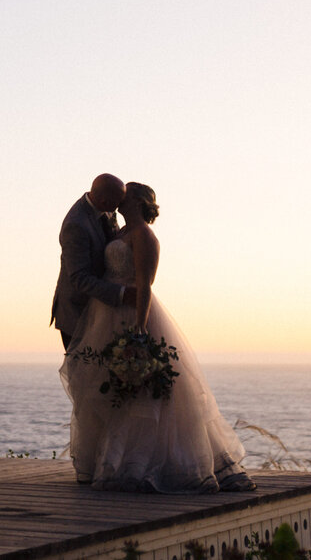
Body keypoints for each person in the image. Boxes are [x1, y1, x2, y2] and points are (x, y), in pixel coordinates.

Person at [61, 182, 255, 493]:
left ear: (136, 201)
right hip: (104, 313)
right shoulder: (118, 229)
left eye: (125, 197)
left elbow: (145, 286)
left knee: (142, 392)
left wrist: (139, 330)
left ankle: (142, 464)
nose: (118, 202)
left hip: (131, 312)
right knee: (105, 388)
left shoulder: (144, 236)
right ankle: (110, 461)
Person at [51, 174, 137, 351]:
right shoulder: (76, 225)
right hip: (76, 312)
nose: (121, 207)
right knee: (84, 374)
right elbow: (79, 278)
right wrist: (122, 293)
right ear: (105, 201)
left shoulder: (106, 209)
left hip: (101, 309)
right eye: (118, 201)